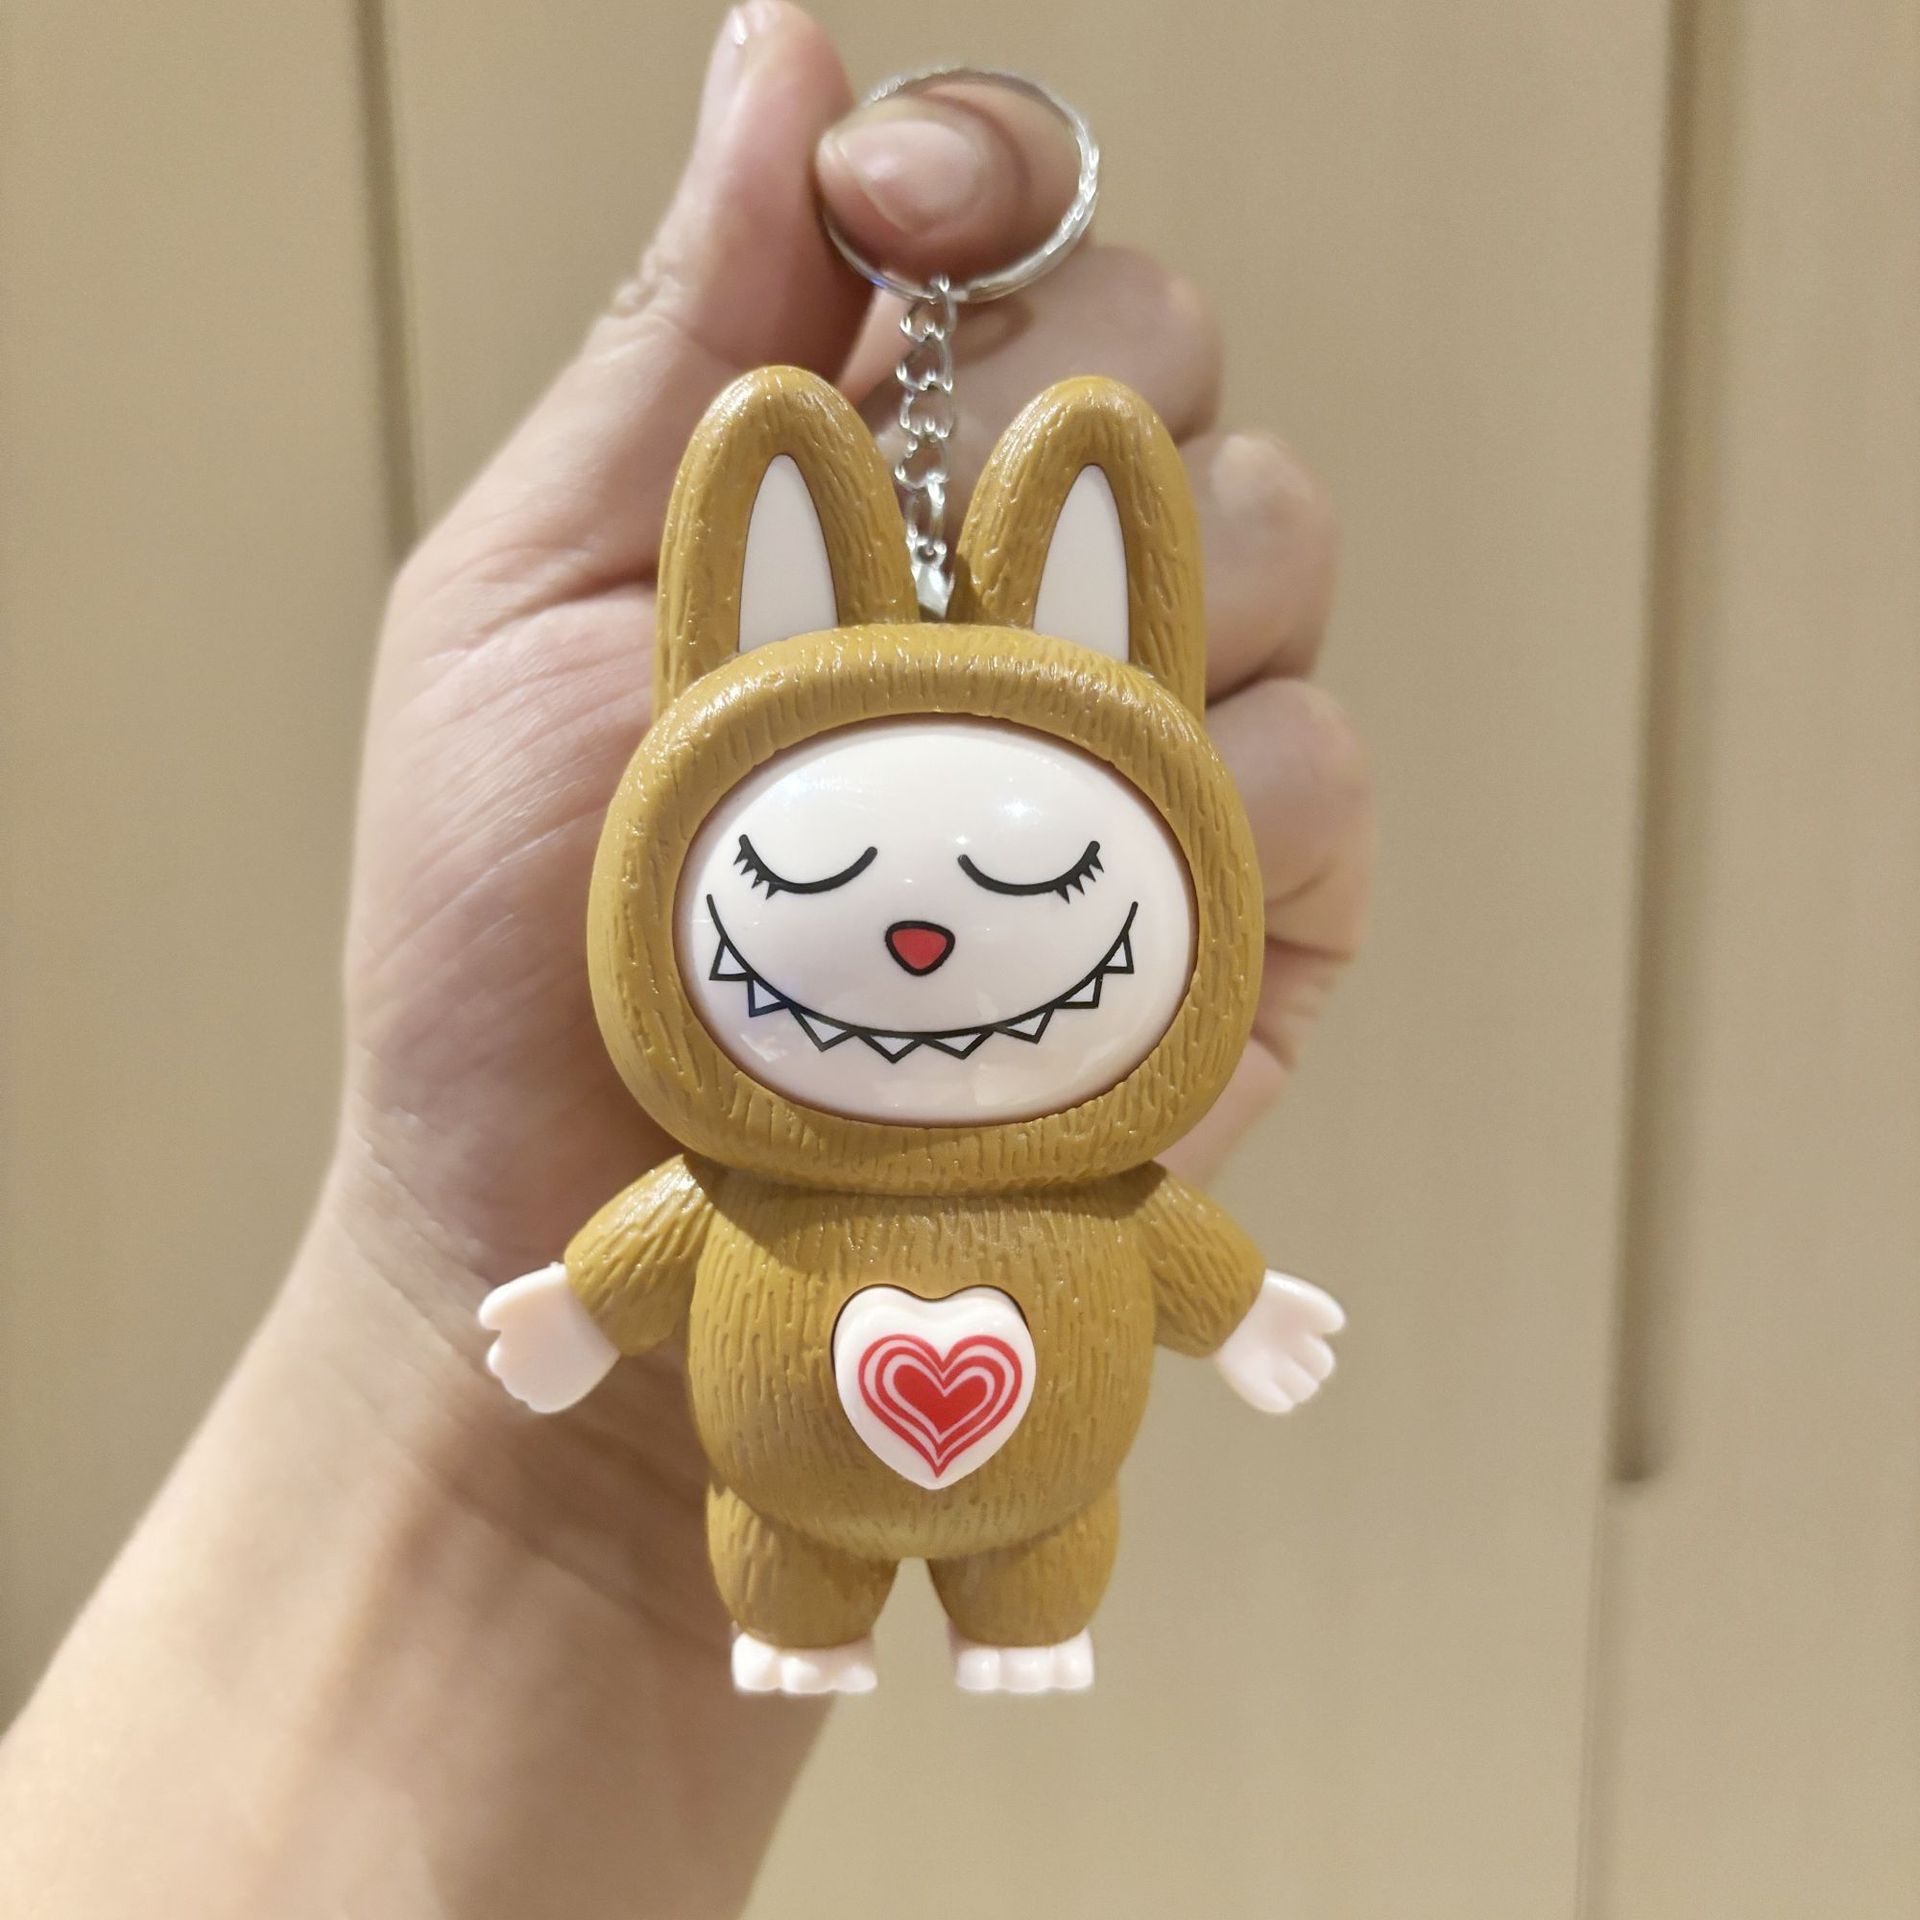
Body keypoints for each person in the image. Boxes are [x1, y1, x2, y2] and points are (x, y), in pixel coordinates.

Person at [0, 7, 1370, 1914]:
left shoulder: (1082, 1155)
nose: (922, 935)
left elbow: (1155, 1233)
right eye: (843, 878)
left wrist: (1245, 1308)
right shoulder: (732, 1154)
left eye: (1017, 877)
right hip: (754, 1489)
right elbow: (663, 1232)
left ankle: (1021, 1611)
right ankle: (808, 1612)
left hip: (1027, 1472)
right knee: (786, 1553)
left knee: (1041, 1538)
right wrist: (529, 1314)